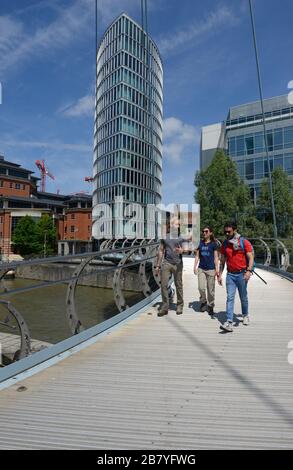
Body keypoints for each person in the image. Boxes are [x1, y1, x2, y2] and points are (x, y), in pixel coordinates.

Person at [218, 221, 254, 332]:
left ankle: (245, 315)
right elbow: (223, 260)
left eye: (229, 231)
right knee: (230, 297)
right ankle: (229, 322)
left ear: (234, 230)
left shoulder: (243, 242)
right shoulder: (225, 244)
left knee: (243, 297)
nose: (227, 233)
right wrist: (220, 274)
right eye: (225, 231)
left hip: (242, 274)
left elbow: (251, 257)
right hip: (230, 274)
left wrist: (248, 271)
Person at [155, 217, 188, 316]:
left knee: (179, 285)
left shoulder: (182, 237)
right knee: (164, 285)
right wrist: (157, 265)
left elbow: (187, 249)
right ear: (171, 225)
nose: (178, 226)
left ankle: (180, 305)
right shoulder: (165, 237)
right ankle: (165, 307)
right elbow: (161, 251)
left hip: (178, 263)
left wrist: (182, 251)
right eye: (176, 224)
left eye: (179, 225)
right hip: (166, 263)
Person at [194, 226, 219, 317]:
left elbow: (216, 257)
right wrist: (195, 266)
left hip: (211, 269)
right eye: (203, 231)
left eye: (206, 231)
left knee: (211, 290)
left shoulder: (213, 244)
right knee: (201, 287)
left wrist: (217, 269)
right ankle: (203, 302)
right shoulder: (200, 243)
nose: (204, 233)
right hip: (201, 268)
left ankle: (211, 305)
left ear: (210, 233)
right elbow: (197, 256)